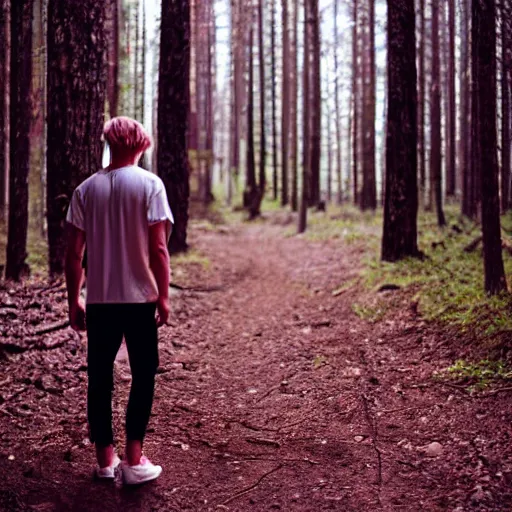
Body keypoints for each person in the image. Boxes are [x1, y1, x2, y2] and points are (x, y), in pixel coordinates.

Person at [65, 116, 173, 485]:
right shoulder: (150, 185)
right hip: (140, 298)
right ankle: (134, 459)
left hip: (100, 301)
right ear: (141, 144)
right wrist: (164, 297)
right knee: (143, 374)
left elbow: (72, 255)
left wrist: (73, 300)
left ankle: (104, 462)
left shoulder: (85, 190)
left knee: (99, 378)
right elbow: (158, 248)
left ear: (110, 143)